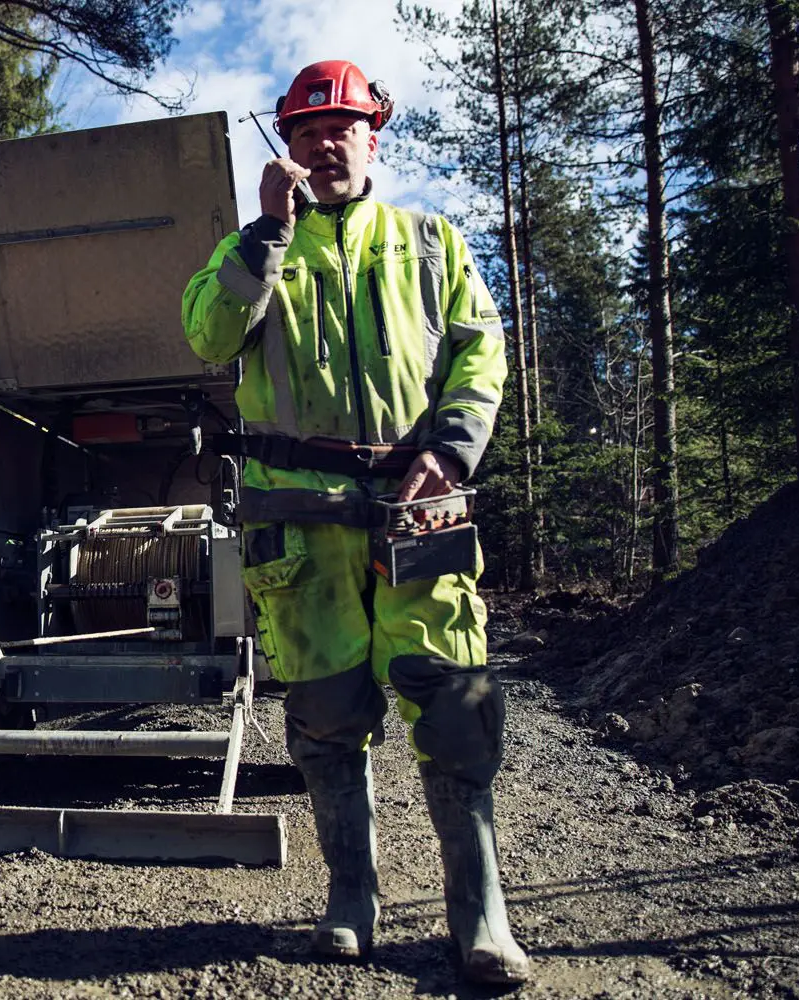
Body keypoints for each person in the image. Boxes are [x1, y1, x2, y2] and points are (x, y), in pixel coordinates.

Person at [181, 60, 530, 985]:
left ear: (374, 135)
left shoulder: (431, 242)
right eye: (305, 131)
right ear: (284, 148)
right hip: (300, 523)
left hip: (421, 507)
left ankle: (479, 912)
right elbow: (210, 337)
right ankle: (352, 897)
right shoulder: (252, 251)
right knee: (328, 716)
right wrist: (264, 236)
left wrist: (452, 448)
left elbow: (480, 349)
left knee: (454, 705)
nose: (324, 143)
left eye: (342, 127)